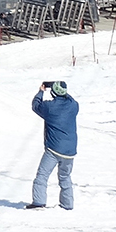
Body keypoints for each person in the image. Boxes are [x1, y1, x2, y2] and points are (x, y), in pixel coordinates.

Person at [28, 80, 79, 210]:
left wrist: (41, 91)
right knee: (65, 177)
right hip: (70, 151)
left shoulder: (49, 107)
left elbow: (35, 105)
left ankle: (39, 202)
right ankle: (68, 204)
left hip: (54, 149)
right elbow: (69, 98)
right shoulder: (73, 106)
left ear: (53, 92)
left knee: (42, 175)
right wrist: (62, 90)